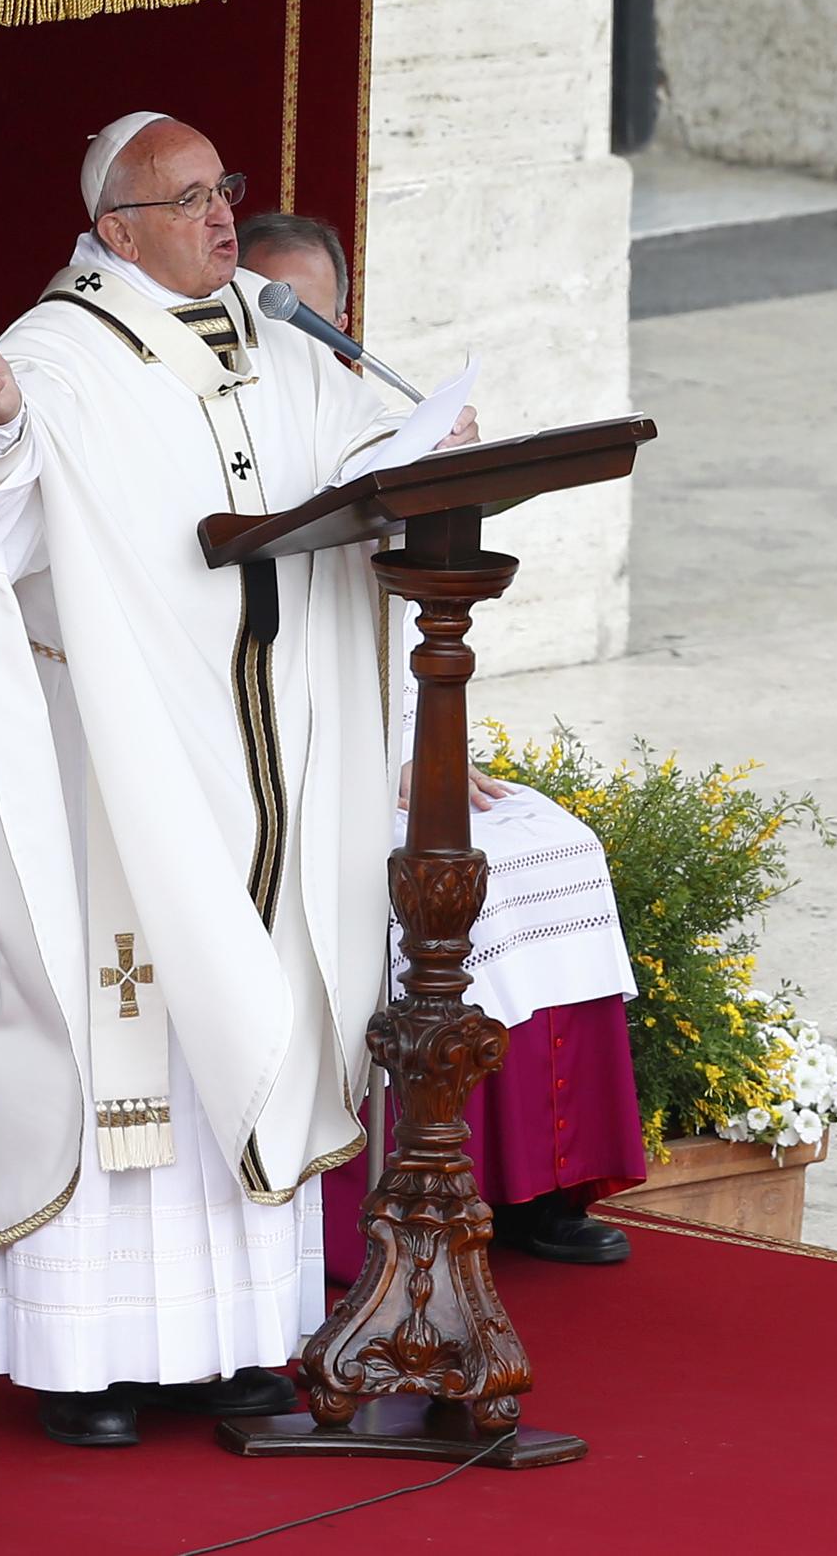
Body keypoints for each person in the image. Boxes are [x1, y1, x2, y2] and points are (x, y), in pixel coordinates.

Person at [0, 114, 454, 1448]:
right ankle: (87, 1361)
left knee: (257, 1002)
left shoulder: (278, 333)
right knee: (136, 1030)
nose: (226, 214)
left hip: (266, 747)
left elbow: (347, 462)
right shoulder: (55, 358)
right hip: (126, 765)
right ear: (116, 231)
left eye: (228, 190)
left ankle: (237, 1345)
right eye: (192, 197)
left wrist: (426, 452)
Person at [237, 212, 647, 1272]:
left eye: (314, 314)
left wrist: (427, 743)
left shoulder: (375, 421)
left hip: (390, 738)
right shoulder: (229, 428)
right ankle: (350, 1208)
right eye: (274, 310)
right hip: (278, 756)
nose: (301, 334)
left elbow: (396, 606)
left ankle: (540, 1184)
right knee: (393, 890)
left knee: (545, 845)